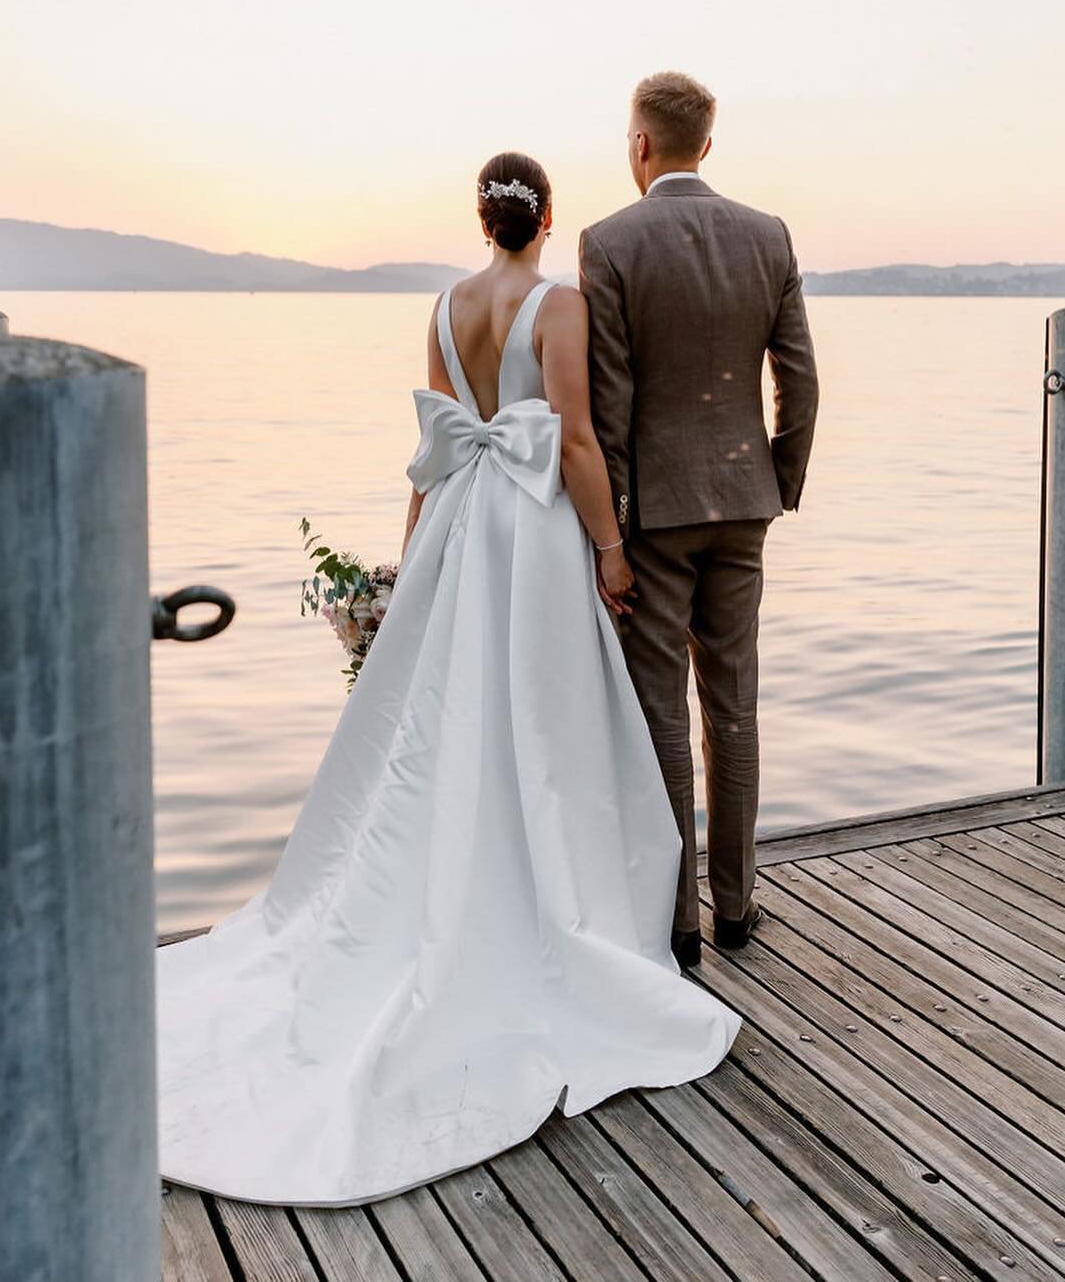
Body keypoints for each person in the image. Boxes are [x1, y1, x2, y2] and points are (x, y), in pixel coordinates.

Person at [154, 150, 740, 1207]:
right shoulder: (557, 304)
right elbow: (571, 443)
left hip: (462, 523)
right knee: (541, 722)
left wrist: (414, 550)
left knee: (441, 724)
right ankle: (542, 888)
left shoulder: (442, 306)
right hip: (529, 534)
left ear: (482, 219)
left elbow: (434, 446)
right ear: (547, 216)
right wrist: (610, 548)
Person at [580, 72, 819, 969]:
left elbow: (612, 402)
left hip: (656, 517)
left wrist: (614, 530)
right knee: (735, 708)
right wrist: (777, 481)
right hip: (743, 503)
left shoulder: (609, 243)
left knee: (661, 715)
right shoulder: (769, 235)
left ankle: (675, 922)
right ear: (705, 145)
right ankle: (738, 905)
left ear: (640, 144)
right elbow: (800, 381)